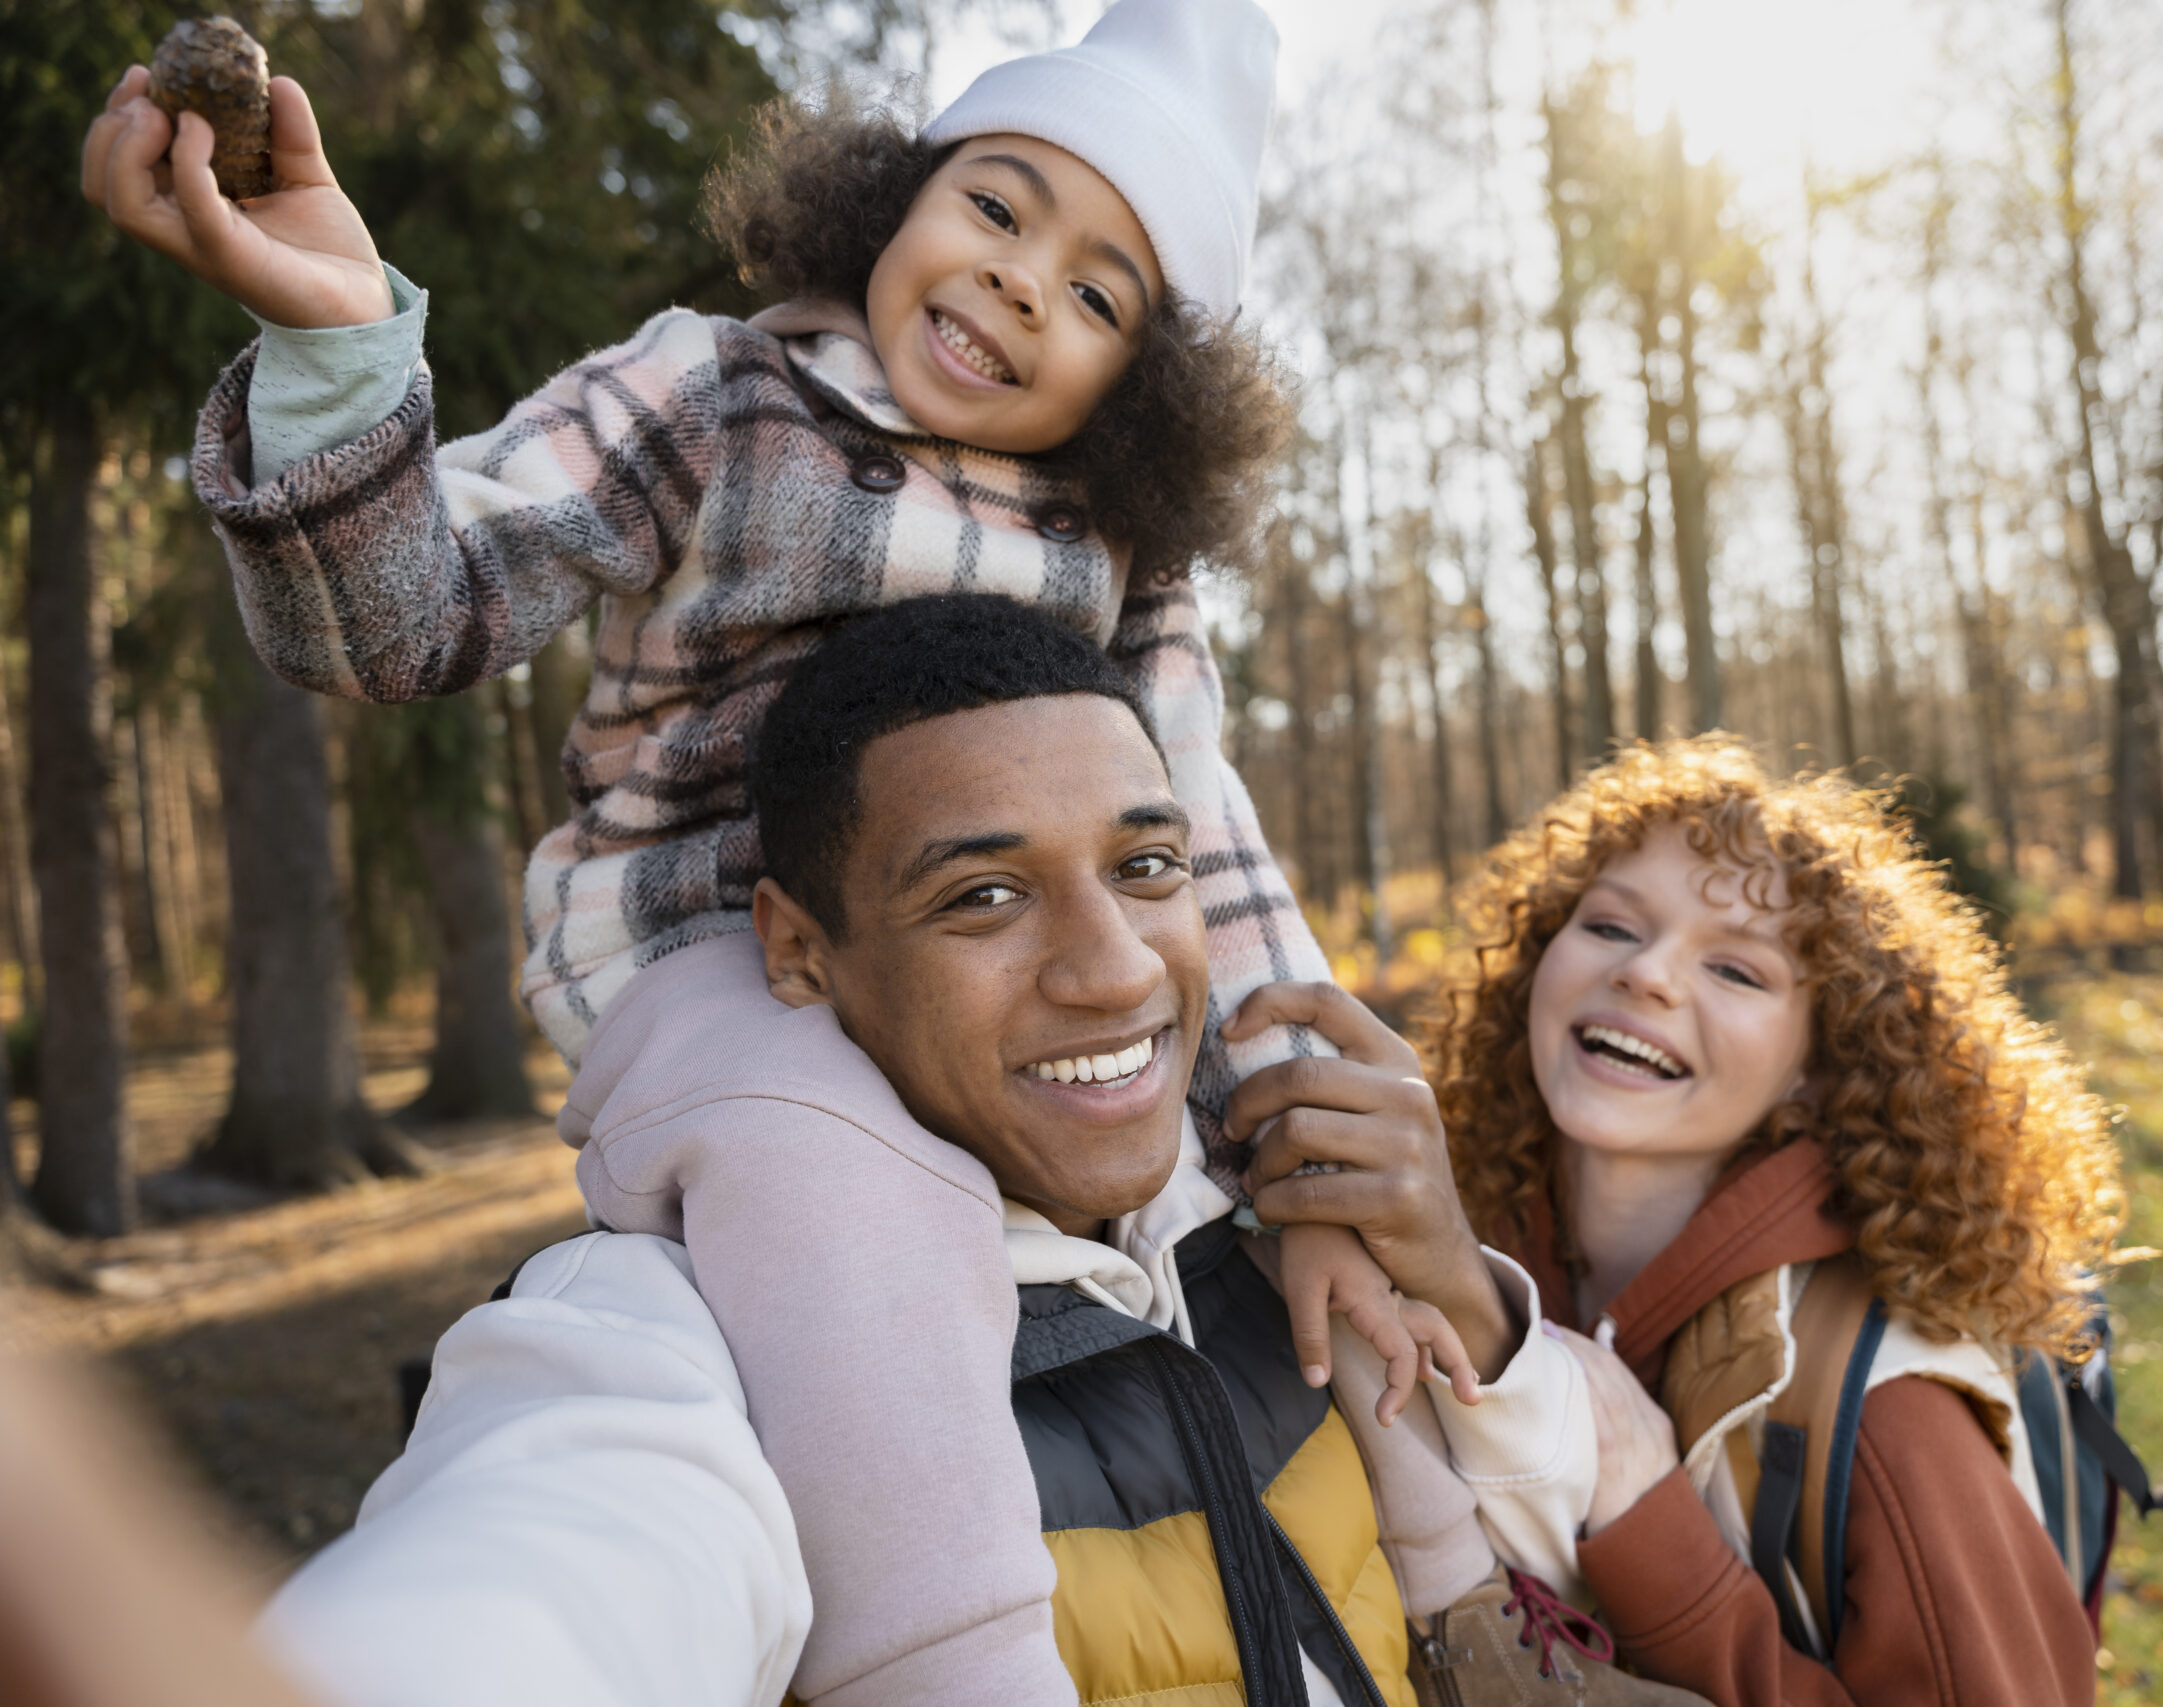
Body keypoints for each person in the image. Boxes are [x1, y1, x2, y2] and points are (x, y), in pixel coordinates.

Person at [80, 5, 1481, 1696]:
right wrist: (337, 346)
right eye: (998, 205)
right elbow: (411, 618)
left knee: (1265, 1235)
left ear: (1144, 384)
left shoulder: (1120, 541)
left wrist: (1304, 1142)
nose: (1027, 281)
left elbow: (1201, 837)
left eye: (1102, 294)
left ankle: (1474, 1606)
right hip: (722, 977)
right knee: (842, 1196)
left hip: (1013, 998)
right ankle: (947, 1656)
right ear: (893, 196)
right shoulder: (716, 391)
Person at [262, 595, 1697, 1707]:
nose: (1115, 967)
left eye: (1147, 867)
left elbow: (1616, 1525)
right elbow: (546, 1571)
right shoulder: (688, 1326)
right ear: (800, 951)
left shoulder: (1272, 1234)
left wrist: (1451, 1267)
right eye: (988, 893)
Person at [1420, 735, 2125, 1706]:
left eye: (1738, 973)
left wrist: (1655, 1539)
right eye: (1612, 927)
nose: (1649, 975)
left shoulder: (1883, 1409)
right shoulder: (1459, 1259)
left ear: (1817, 1067)